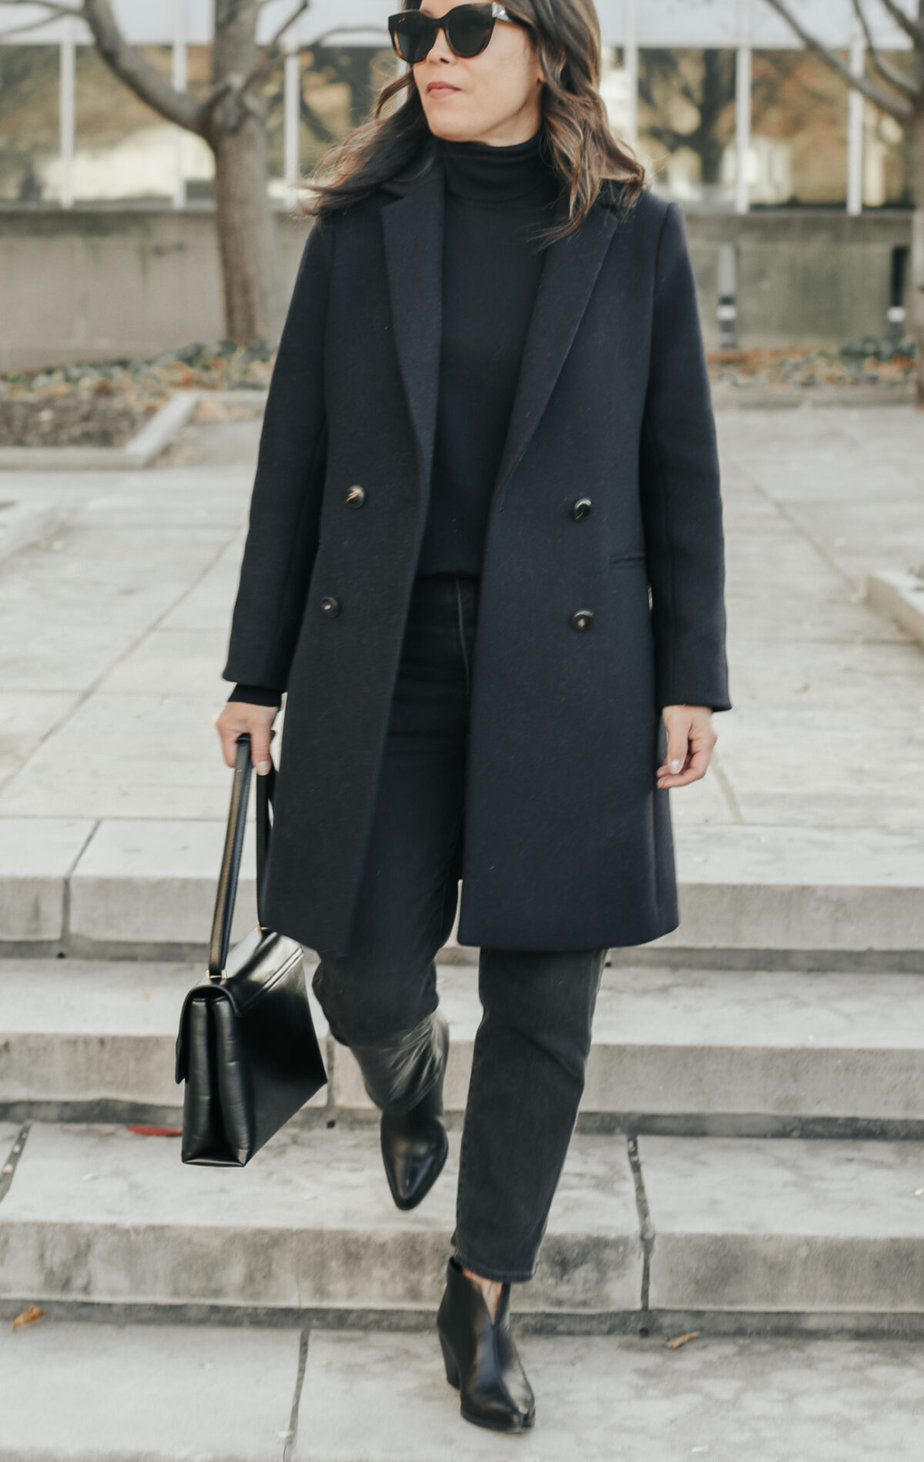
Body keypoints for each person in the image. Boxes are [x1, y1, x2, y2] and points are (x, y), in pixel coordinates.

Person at [216, 0, 731, 1434]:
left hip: (570, 664)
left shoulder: (632, 231)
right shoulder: (364, 226)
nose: (427, 49)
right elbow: (294, 462)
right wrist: (255, 671)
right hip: (384, 654)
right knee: (361, 970)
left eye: (460, 23)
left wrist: (691, 671)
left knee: (549, 1003)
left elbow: (676, 464)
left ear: (546, 47)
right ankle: (407, 1064)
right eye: (409, 23)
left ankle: (485, 1292)